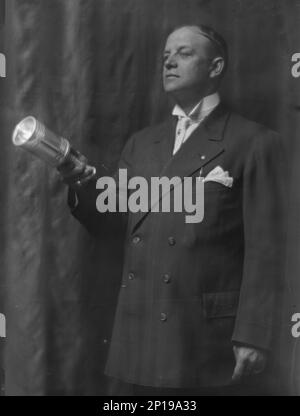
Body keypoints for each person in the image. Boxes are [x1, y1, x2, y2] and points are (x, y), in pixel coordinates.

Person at [58, 25, 286, 395]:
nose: (169, 62)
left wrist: (255, 335)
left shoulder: (254, 142)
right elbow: (117, 225)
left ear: (215, 67)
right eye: (166, 56)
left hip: (205, 337)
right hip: (141, 330)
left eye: (183, 53)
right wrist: (81, 183)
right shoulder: (142, 144)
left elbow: (268, 249)